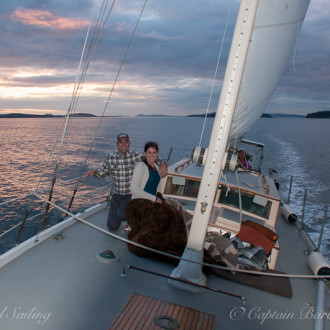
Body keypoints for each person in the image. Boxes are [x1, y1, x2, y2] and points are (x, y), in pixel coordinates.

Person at [86, 133, 167, 230]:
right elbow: (104, 173)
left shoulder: (136, 156)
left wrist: (163, 164)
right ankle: (126, 216)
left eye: (126, 142)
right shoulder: (110, 158)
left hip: (130, 194)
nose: (123, 144)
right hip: (116, 195)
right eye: (121, 142)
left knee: (122, 215)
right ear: (117, 144)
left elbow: (153, 157)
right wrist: (95, 173)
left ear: (129, 143)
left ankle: (134, 222)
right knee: (112, 226)